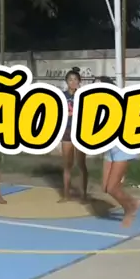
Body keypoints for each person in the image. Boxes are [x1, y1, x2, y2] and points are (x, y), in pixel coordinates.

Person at [96, 76, 140, 228]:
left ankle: (130, 210)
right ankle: (133, 202)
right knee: (105, 187)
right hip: (110, 149)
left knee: (112, 188)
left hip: (122, 148)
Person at [60, 67, 88, 202]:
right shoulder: (62, 96)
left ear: (79, 81)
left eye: (75, 79)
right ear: (66, 82)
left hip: (80, 132)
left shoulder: (83, 96)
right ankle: (66, 194)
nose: (73, 82)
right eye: (70, 80)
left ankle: (84, 194)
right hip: (66, 131)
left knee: (81, 164)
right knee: (67, 164)